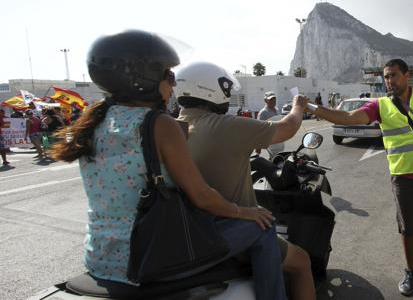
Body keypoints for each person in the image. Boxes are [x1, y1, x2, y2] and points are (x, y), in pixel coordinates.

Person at [49, 30, 287, 300]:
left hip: (99, 259)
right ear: (144, 79)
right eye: (169, 76)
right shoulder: (159, 124)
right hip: (152, 257)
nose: (173, 85)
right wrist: (245, 212)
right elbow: (203, 197)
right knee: (263, 226)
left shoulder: (92, 123)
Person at [306, 59, 413, 299]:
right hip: (404, 178)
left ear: (406, 75)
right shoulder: (380, 105)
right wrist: (312, 108)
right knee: (408, 229)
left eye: (393, 75)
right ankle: (411, 272)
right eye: (386, 77)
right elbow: (349, 117)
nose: (389, 81)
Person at [174, 61, 315, 300]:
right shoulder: (224, 125)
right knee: (302, 262)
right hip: (231, 230)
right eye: (226, 91)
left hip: (192, 232)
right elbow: (288, 127)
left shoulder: (174, 127)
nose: (228, 96)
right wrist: (298, 106)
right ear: (212, 91)